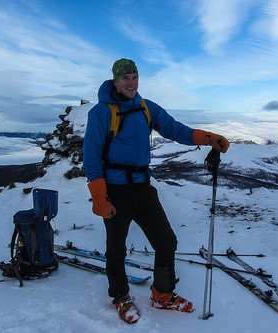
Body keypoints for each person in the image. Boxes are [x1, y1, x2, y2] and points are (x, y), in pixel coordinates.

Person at [83, 58, 229, 324]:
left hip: (142, 187)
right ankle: (120, 296)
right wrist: (99, 197)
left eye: (135, 77)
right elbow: (91, 158)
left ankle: (162, 293)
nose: (131, 82)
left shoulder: (146, 108)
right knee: (116, 249)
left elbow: (175, 129)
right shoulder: (101, 112)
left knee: (166, 242)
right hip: (115, 190)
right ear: (115, 81)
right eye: (125, 78)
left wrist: (209, 138)